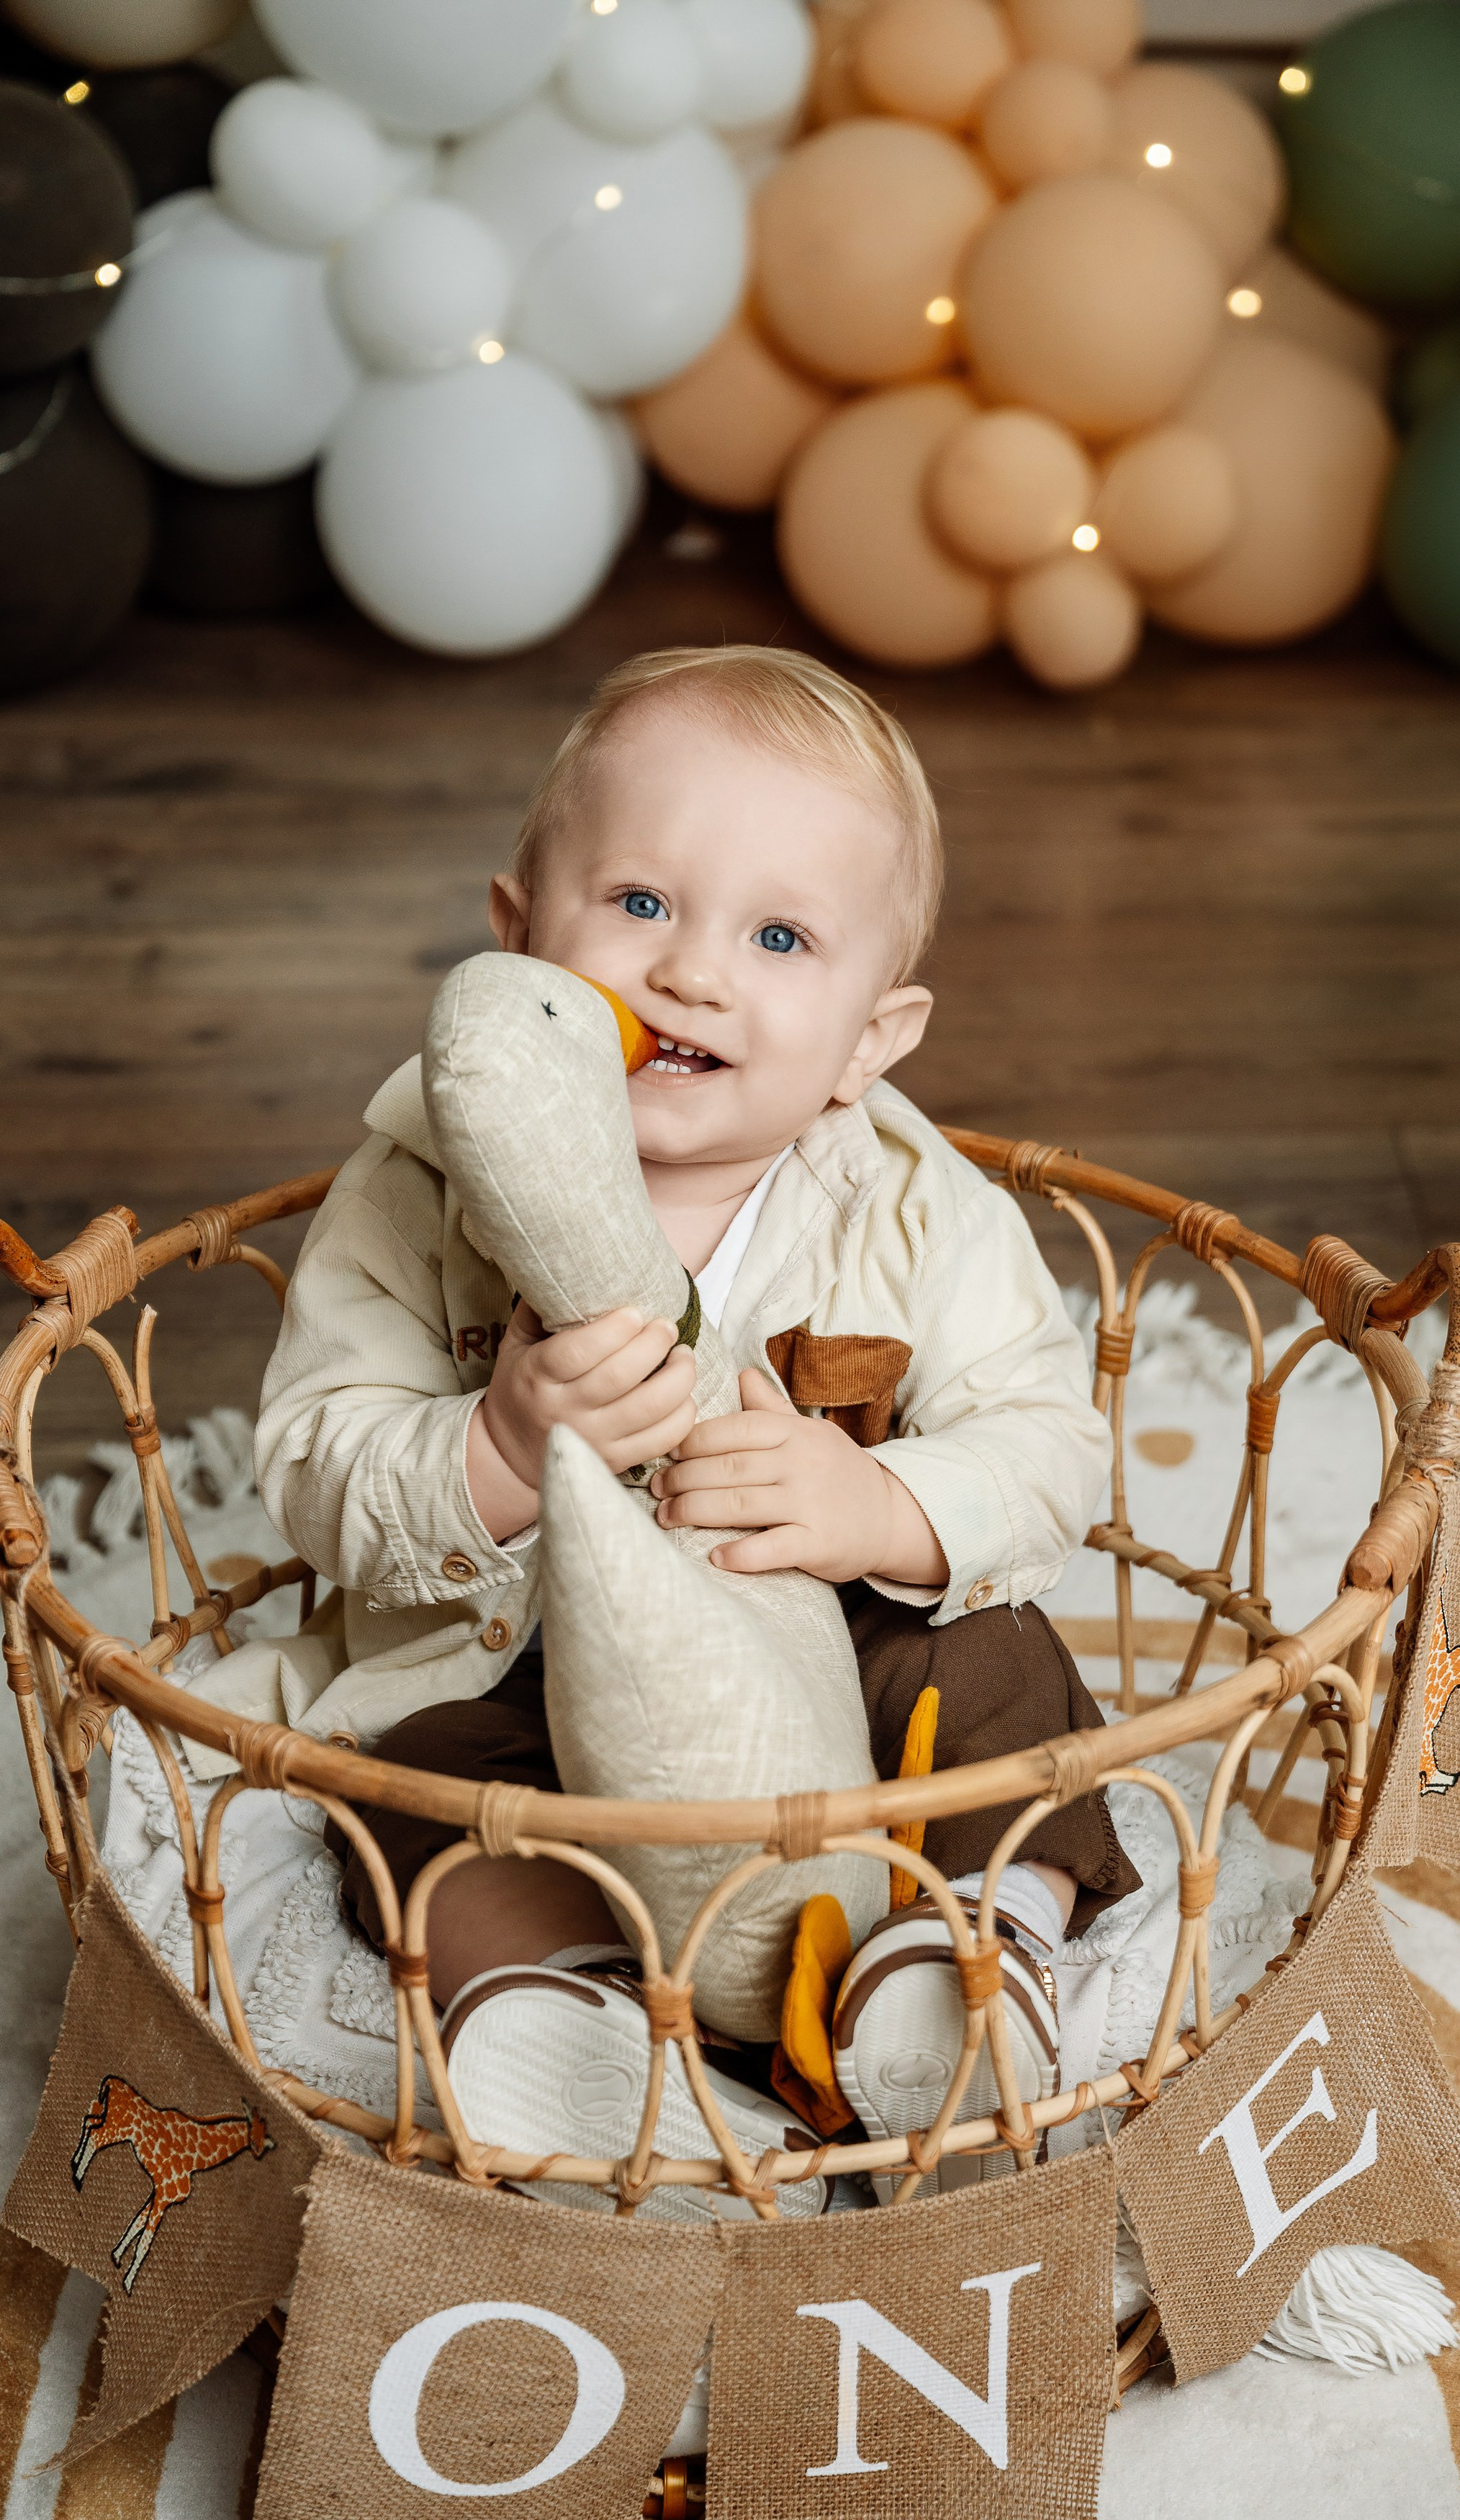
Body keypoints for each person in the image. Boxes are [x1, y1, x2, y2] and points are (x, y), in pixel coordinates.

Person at [253, 644, 1135, 2206]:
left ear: (870, 1035)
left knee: (1009, 1670)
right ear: (520, 939)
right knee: (409, 1810)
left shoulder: (920, 1210)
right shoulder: (410, 1193)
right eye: (642, 903)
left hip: (850, 1689)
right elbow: (317, 1463)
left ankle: (958, 1963)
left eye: (781, 936)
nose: (693, 973)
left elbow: (1051, 1448)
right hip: (517, 1674)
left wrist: (877, 1501)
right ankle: (586, 2029)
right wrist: (499, 1451)